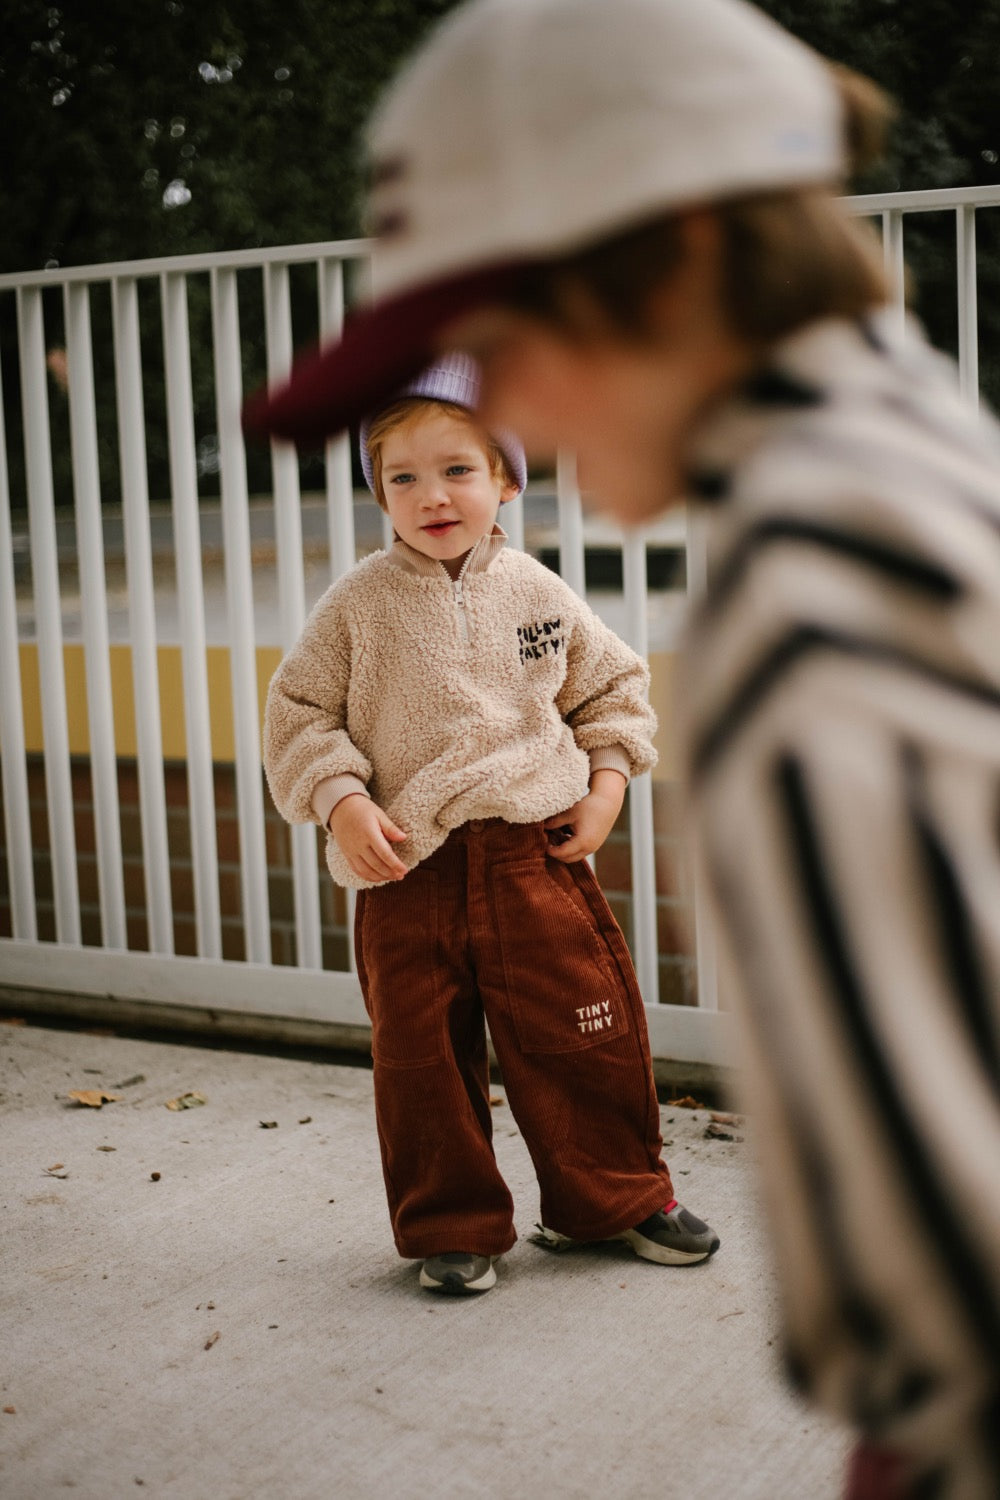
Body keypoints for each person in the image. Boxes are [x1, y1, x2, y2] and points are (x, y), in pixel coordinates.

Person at [244, 0, 1000, 1487]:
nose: (507, 421)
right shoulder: (928, 485)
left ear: (682, 259)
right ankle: (457, 1221)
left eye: (510, 341)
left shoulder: (821, 600)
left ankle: (609, 1194)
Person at [262, 351, 720, 1296]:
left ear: (506, 477)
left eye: (459, 469)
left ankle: (614, 1198)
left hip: (533, 857)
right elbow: (300, 715)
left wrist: (606, 787)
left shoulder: (538, 595)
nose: (433, 495)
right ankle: (453, 1225)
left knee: (582, 1034)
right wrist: (341, 801)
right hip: (407, 870)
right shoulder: (358, 606)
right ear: (379, 494)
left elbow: (614, 692)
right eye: (404, 477)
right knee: (421, 1060)